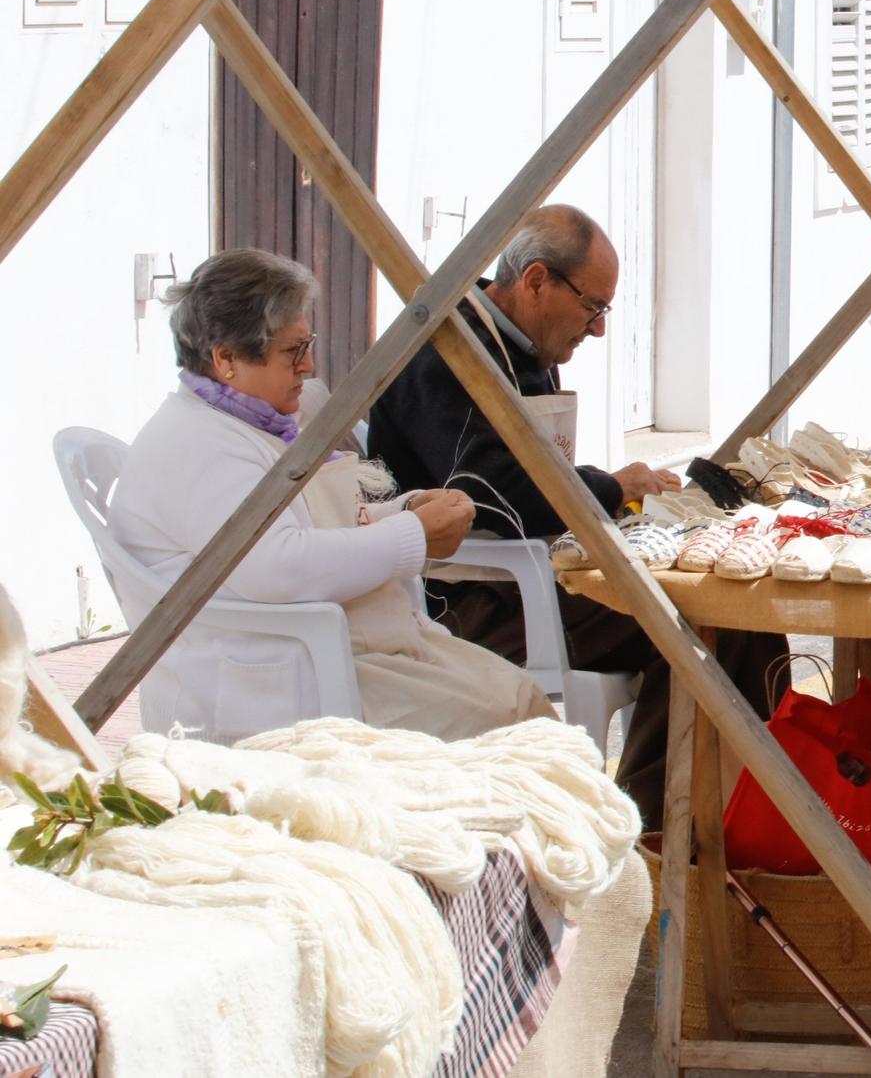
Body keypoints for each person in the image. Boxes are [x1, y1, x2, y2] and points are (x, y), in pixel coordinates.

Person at [368, 205, 787, 829]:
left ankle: (726, 822)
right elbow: (496, 495)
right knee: (708, 625)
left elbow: (539, 471)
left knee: (734, 614)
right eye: (593, 307)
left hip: (528, 577)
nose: (596, 331)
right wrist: (611, 487)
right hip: (472, 600)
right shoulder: (446, 351)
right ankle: (659, 834)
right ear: (536, 280)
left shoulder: (515, 341)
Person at [114, 249, 554, 742]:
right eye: (292, 352)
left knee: (523, 702)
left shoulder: (239, 422)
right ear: (226, 359)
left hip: (329, 646)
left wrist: (405, 510)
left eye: (308, 344)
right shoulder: (199, 444)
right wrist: (412, 535)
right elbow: (280, 566)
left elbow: (299, 528)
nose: (309, 365)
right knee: (512, 729)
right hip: (275, 675)